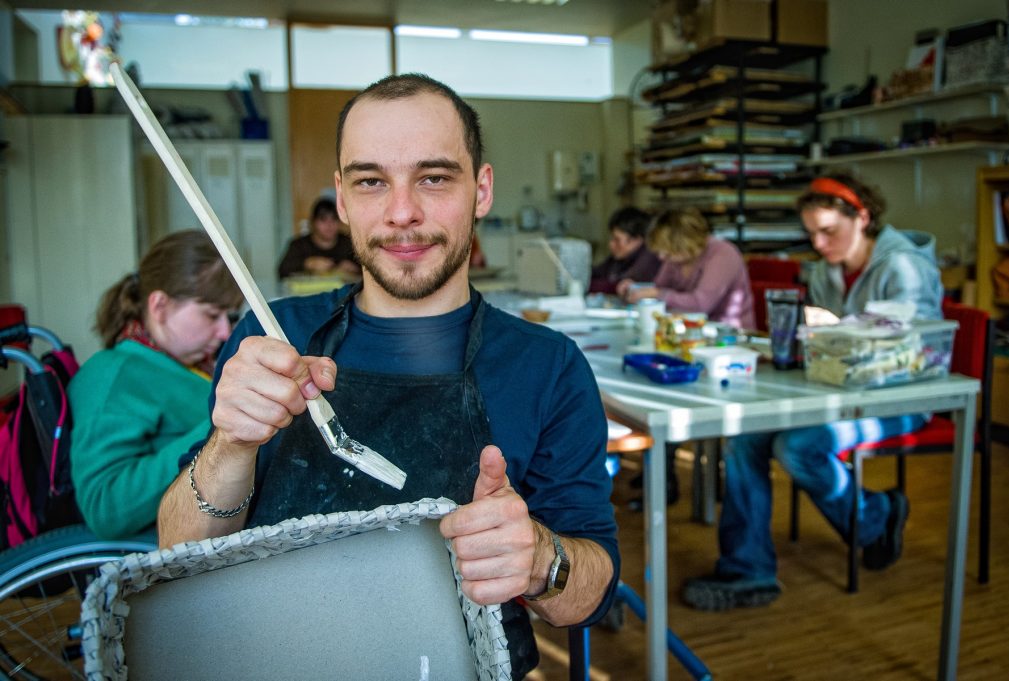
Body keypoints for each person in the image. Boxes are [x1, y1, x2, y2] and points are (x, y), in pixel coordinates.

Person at [156, 73, 618, 679]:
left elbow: (590, 593)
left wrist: (539, 559)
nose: (402, 213)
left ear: (481, 190)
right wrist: (230, 445)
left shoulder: (547, 366)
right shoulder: (272, 336)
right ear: (343, 199)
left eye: (434, 178)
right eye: (371, 181)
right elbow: (179, 553)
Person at [682, 171, 944, 611]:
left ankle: (876, 516)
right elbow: (827, 349)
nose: (819, 244)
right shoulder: (826, 271)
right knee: (745, 438)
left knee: (799, 446)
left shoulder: (904, 266)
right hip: (839, 393)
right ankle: (748, 570)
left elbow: (918, 350)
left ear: (862, 217)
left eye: (828, 231)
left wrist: (840, 332)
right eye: (812, 234)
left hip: (902, 397)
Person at [68, 230, 242, 540]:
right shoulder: (113, 377)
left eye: (228, 317)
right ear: (160, 306)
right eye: (212, 315)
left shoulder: (184, 361)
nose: (224, 332)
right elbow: (104, 506)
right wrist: (219, 429)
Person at [619, 207, 755, 329]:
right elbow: (660, 287)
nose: (662, 257)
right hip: (691, 329)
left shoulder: (723, 254)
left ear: (685, 244)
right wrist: (636, 289)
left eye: (668, 252)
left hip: (730, 333)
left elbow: (701, 305)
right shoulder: (677, 257)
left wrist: (656, 293)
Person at [277, 197, 360, 279]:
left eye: (334, 219)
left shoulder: (349, 243)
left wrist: (355, 268)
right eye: (323, 219)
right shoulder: (299, 245)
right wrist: (307, 264)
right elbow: (282, 271)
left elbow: (366, 267)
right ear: (313, 222)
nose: (329, 225)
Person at [588, 206, 661, 294]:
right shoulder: (620, 257)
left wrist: (615, 287)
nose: (611, 244)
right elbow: (596, 273)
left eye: (617, 240)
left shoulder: (648, 259)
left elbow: (620, 285)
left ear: (636, 240)